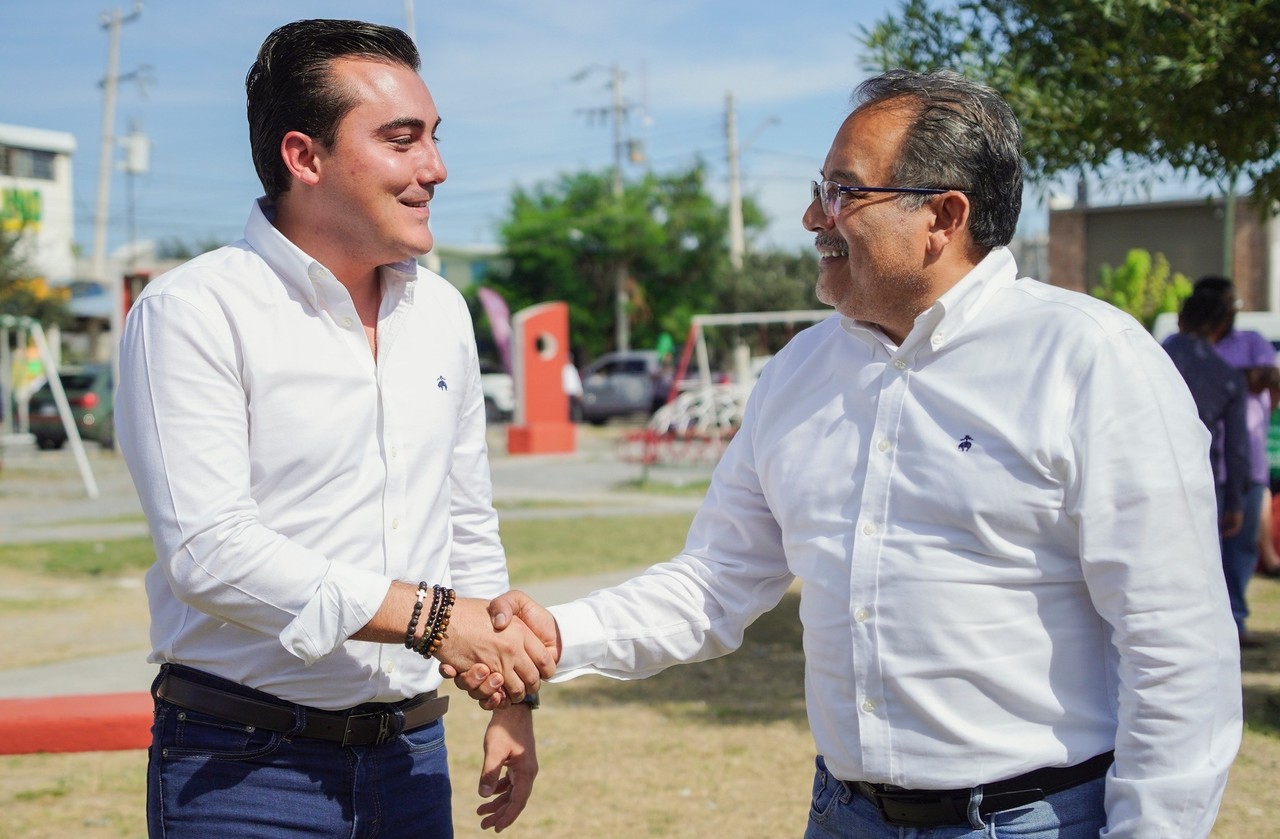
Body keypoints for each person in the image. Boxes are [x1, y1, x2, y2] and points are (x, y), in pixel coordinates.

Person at [455, 69, 1243, 837]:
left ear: (944, 214)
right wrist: (558, 635)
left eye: (843, 191)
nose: (811, 217)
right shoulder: (800, 371)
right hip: (844, 812)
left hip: (1032, 818)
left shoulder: (1090, 358)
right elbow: (717, 578)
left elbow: (1175, 645)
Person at [115, 19, 553, 837]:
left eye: (433, 137)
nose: (436, 167)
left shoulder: (443, 311)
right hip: (243, 771)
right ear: (303, 157)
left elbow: (465, 521)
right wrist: (428, 617)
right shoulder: (193, 312)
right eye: (402, 139)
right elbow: (208, 552)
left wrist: (509, 692)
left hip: (413, 758)